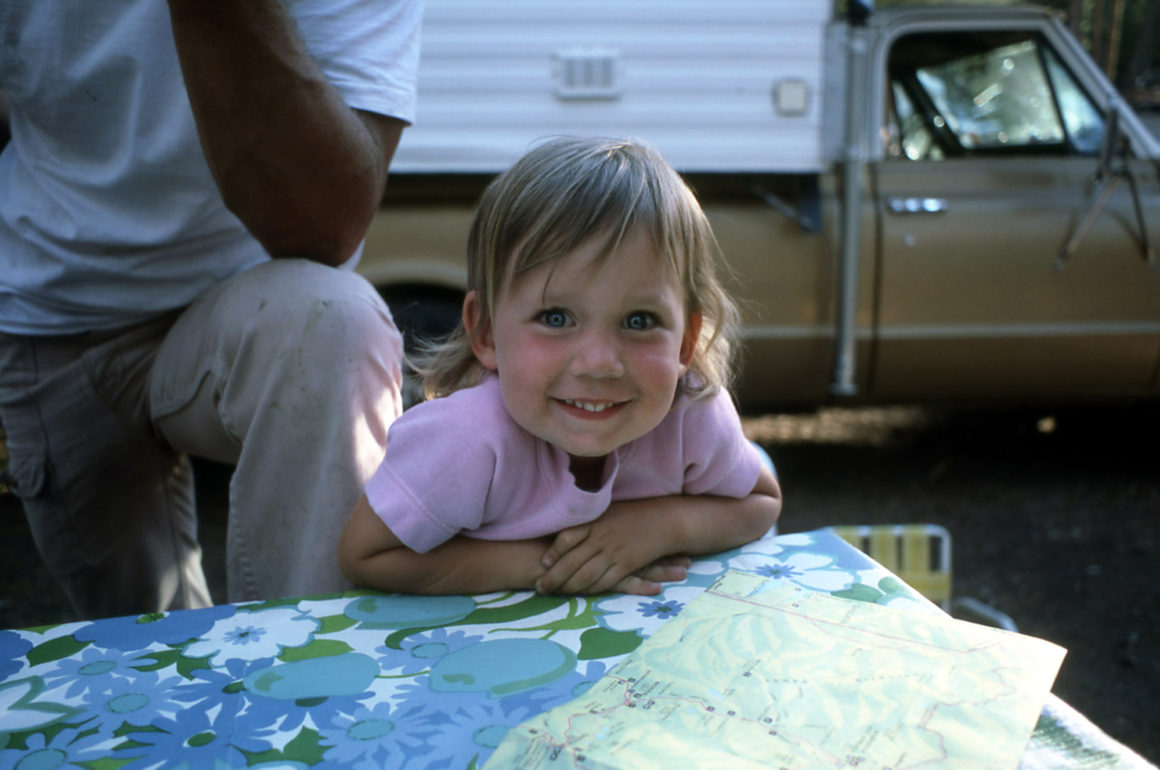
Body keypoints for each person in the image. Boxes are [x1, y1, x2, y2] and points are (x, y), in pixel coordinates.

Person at [0, 0, 423, 619]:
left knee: (334, 318)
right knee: (137, 652)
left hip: (253, 296)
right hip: (56, 315)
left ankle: (314, 668)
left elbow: (325, 229)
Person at [338, 137, 782, 596]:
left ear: (685, 343)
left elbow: (762, 501)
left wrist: (659, 527)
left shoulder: (690, 413)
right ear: (486, 332)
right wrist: (547, 565)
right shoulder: (465, 439)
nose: (599, 364)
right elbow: (365, 556)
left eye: (639, 321)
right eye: (556, 318)